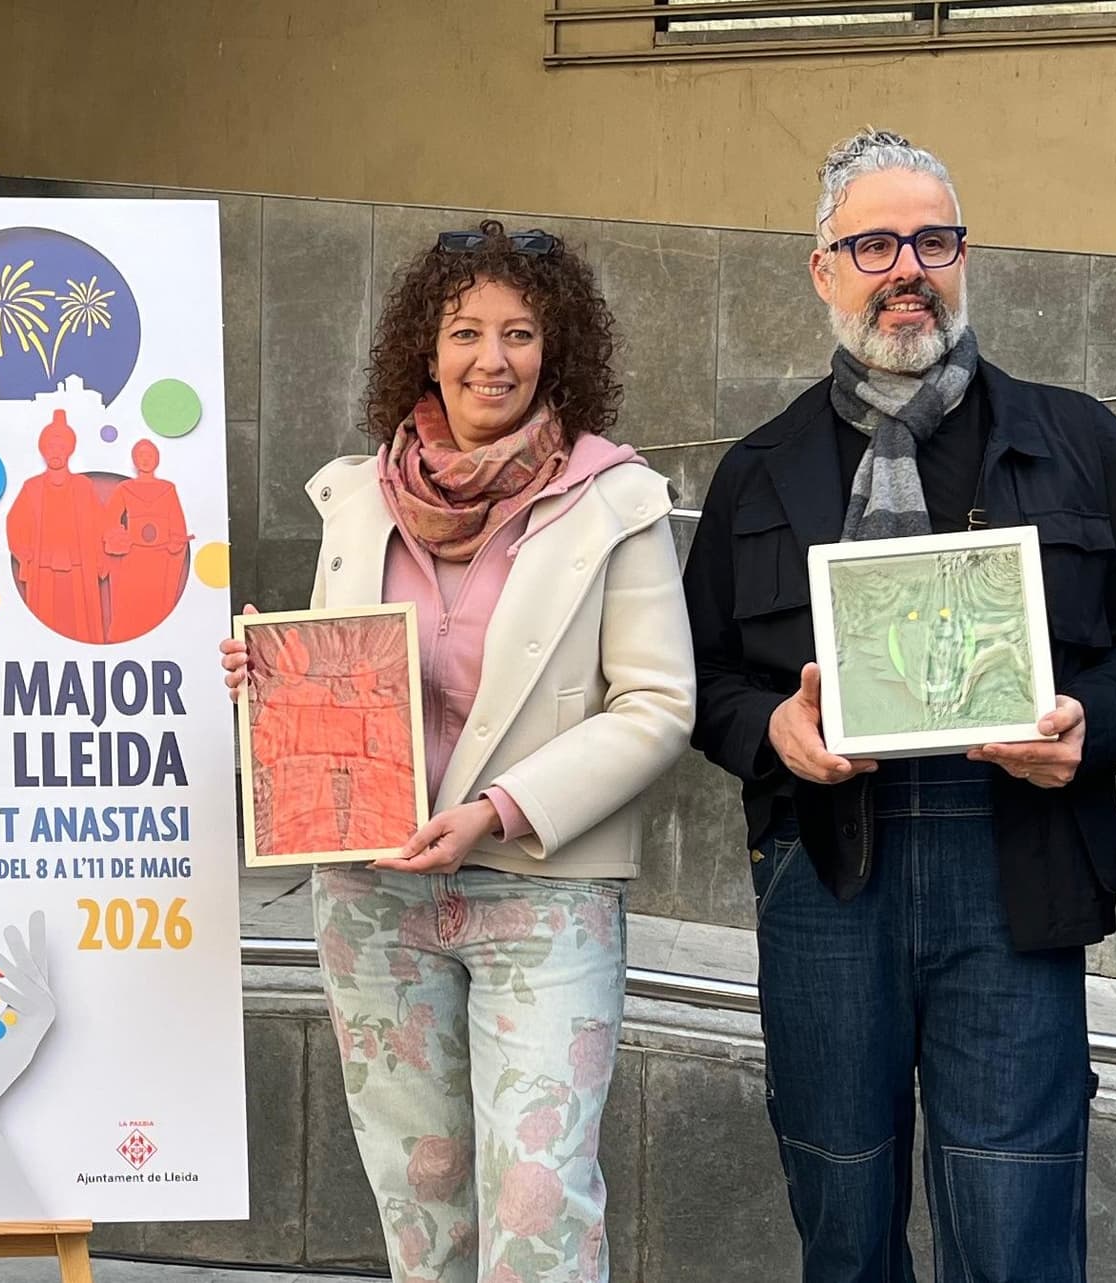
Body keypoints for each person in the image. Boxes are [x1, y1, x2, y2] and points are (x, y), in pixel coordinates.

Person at [681, 129, 1116, 1283]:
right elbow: (700, 677)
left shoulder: (1077, 440)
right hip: (824, 868)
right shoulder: (758, 470)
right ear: (823, 269)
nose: (907, 267)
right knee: (844, 1213)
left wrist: (1083, 727)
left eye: (933, 240)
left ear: (965, 257)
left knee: (1016, 1221)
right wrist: (771, 729)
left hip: (1019, 862)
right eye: (874, 244)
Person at [218, 220, 696, 1282]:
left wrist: (498, 809)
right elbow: (347, 682)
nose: (492, 357)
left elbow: (659, 704)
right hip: (373, 890)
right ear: (425, 351)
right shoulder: (356, 497)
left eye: (519, 332)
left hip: (542, 889)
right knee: (421, 1195)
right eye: (465, 331)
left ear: (554, 350)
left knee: (539, 1197)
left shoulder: (615, 501)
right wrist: (272, 679)